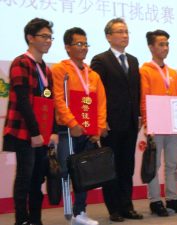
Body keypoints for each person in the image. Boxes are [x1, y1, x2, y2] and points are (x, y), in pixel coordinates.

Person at [2, 18, 58, 225]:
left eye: (50, 37)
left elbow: (49, 103)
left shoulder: (46, 69)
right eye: (44, 36)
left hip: (41, 133)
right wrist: (35, 133)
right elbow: (23, 102)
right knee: (24, 178)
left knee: (38, 179)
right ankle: (21, 220)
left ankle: (36, 219)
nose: (48, 41)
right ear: (30, 38)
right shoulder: (21, 63)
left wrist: (51, 132)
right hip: (24, 131)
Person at [51, 27, 107, 225]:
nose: (83, 48)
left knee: (84, 172)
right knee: (67, 170)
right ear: (67, 47)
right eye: (79, 44)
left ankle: (79, 212)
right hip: (68, 130)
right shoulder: (59, 70)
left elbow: (100, 103)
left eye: (85, 44)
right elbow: (58, 99)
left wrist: (98, 128)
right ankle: (69, 210)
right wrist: (72, 123)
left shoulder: (93, 75)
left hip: (88, 130)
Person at [90, 18, 143, 222]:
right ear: (108, 36)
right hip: (110, 123)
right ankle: (113, 209)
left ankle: (127, 206)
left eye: (127, 31)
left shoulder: (133, 60)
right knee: (111, 167)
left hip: (130, 122)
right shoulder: (100, 60)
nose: (125, 35)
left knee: (126, 166)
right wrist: (101, 120)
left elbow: (136, 91)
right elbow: (96, 93)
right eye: (120, 31)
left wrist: (138, 115)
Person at [139, 29, 177, 217]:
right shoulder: (144, 71)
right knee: (153, 164)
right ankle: (155, 201)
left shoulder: (173, 72)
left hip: (172, 125)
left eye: (167, 44)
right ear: (151, 47)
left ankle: (173, 198)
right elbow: (144, 99)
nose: (165, 47)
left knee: (172, 163)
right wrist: (148, 124)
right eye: (161, 44)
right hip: (155, 126)